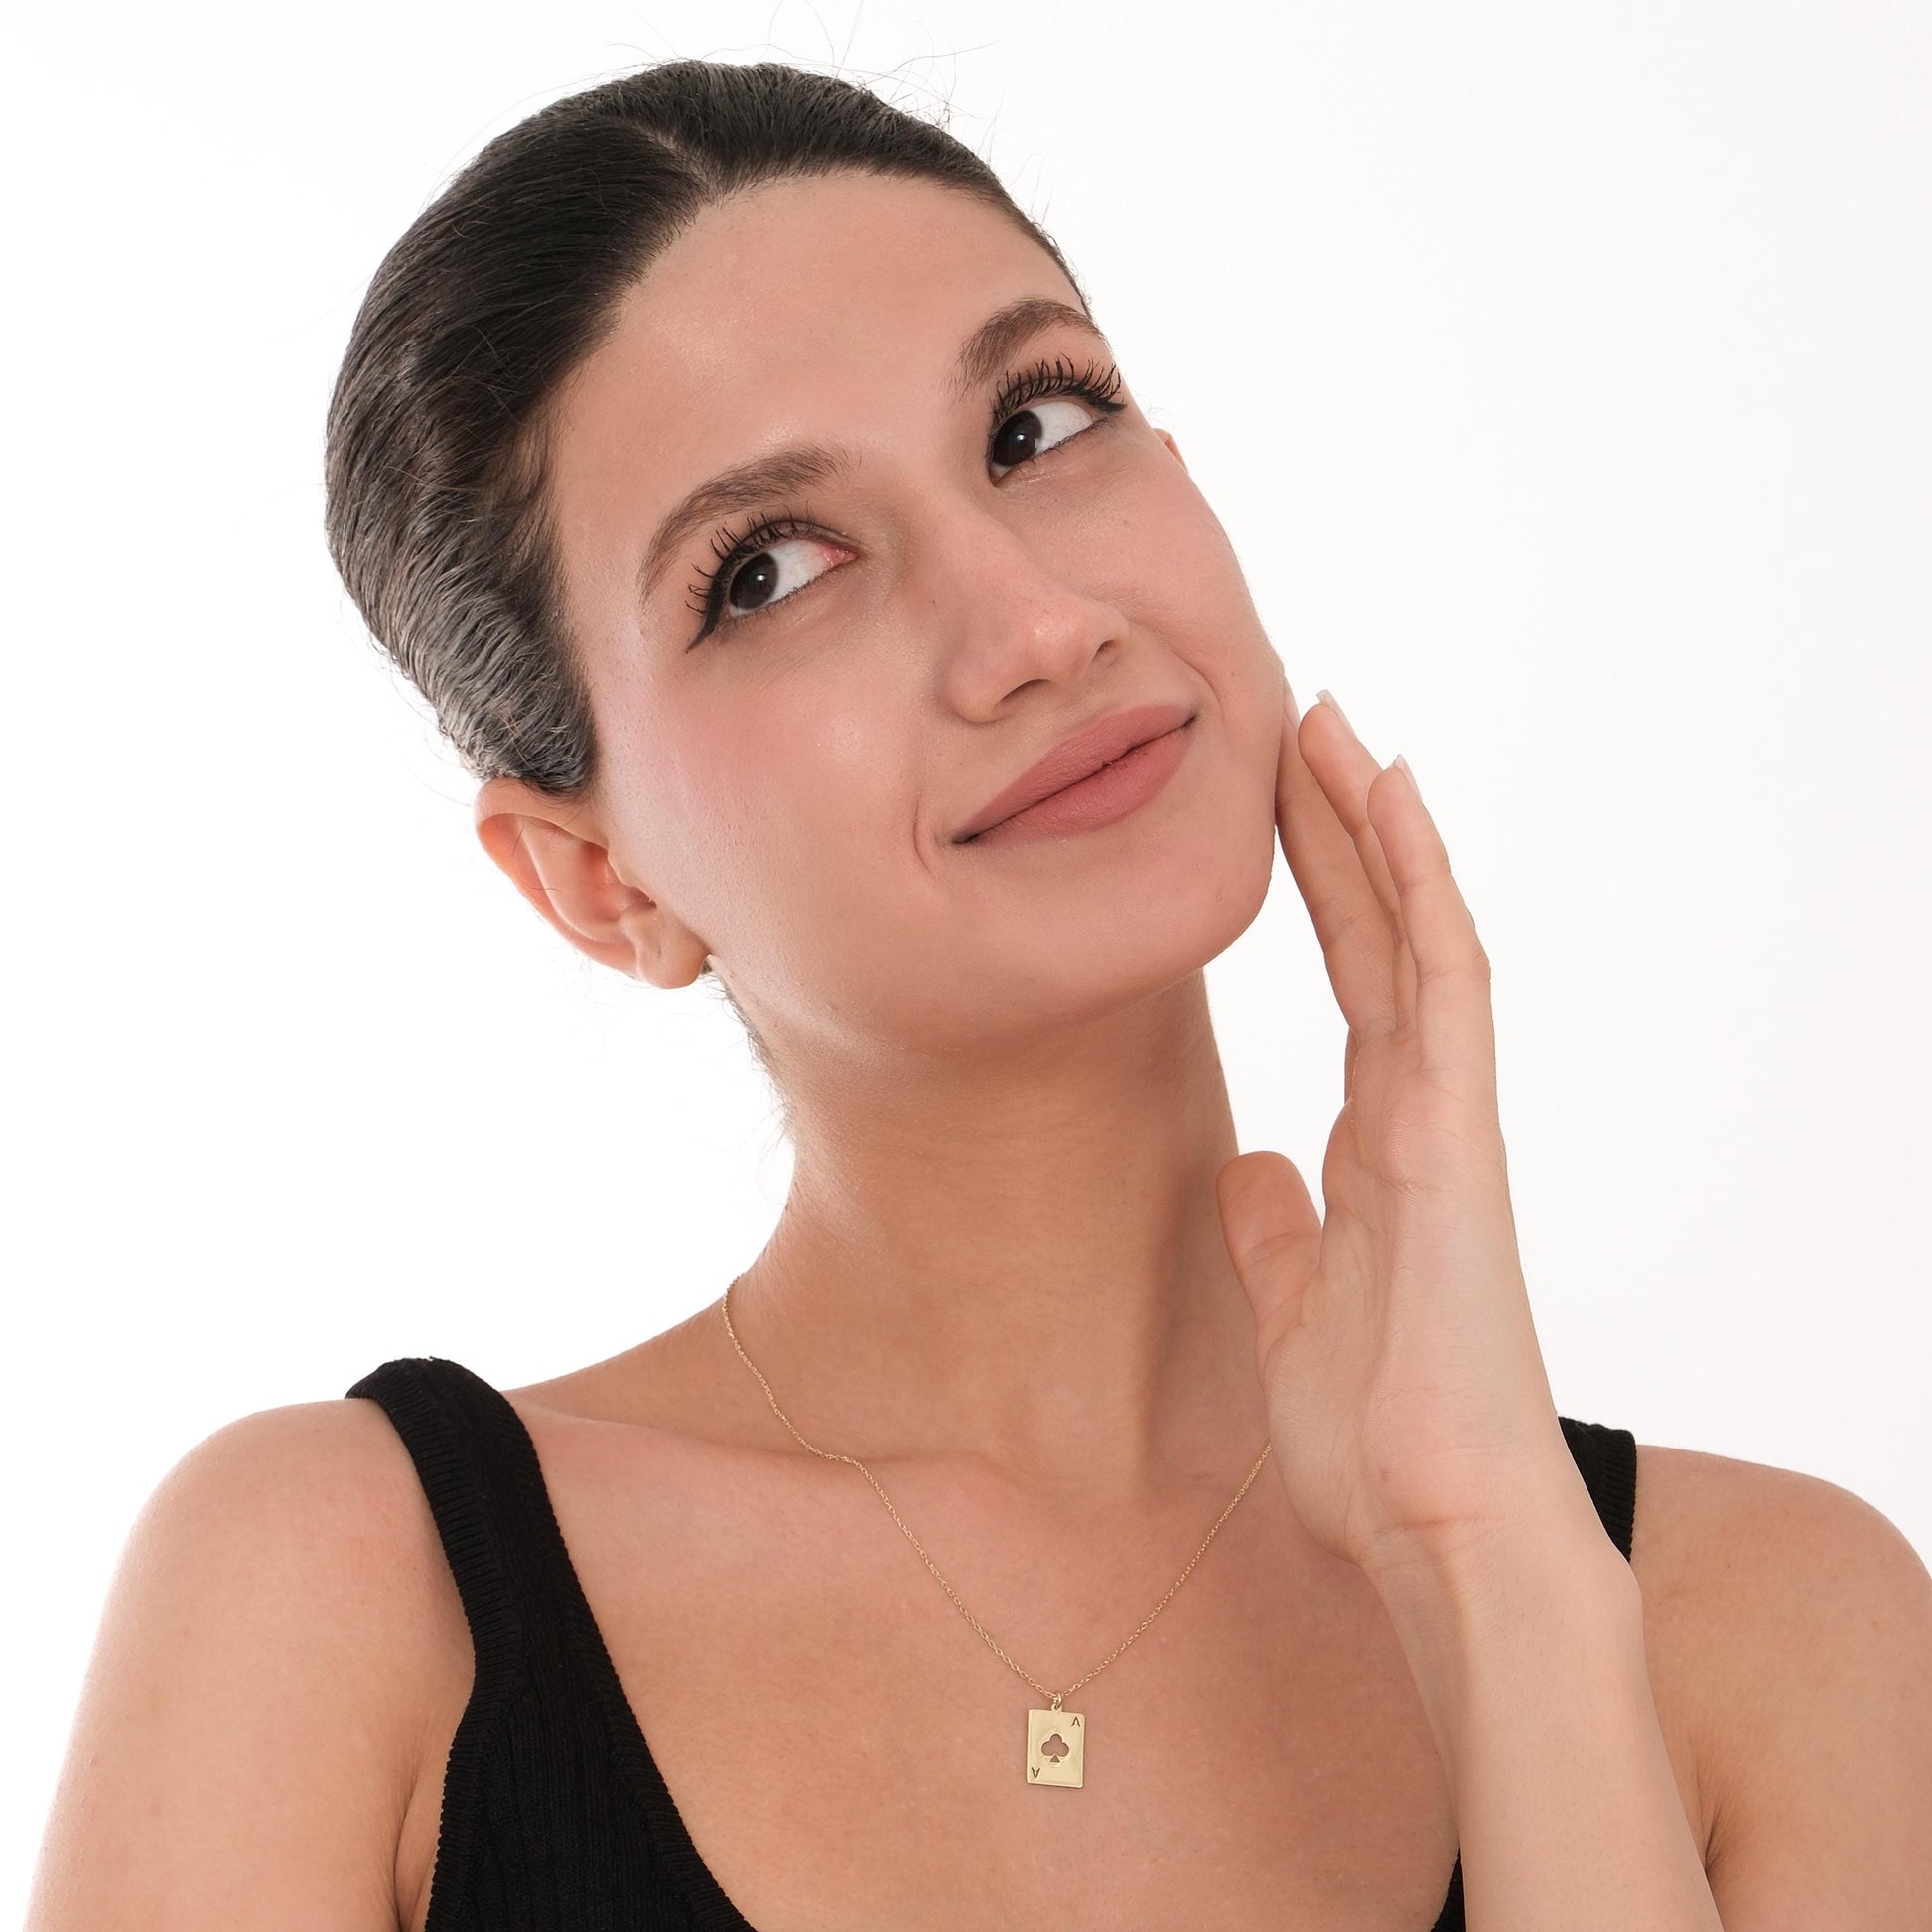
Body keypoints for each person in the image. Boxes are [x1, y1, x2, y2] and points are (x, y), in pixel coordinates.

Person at [25, 57, 1932, 1932]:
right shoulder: (346, 1600)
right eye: (767, 569)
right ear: (596, 881)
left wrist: (1493, 1564)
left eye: (1035, 424)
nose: (1037, 622)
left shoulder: (1775, 1630)